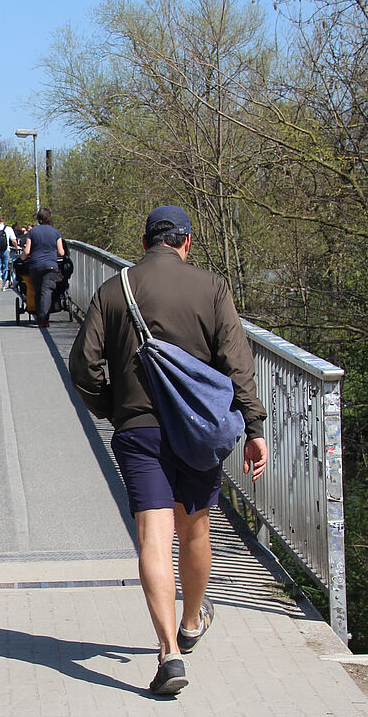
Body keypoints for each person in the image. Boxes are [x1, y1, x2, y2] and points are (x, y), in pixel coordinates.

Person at [68, 205, 268, 697]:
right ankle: (192, 621)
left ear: (144, 244)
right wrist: (254, 426)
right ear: (187, 242)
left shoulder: (115, 289)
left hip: (139, 431)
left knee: (153, 538)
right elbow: (237, 361)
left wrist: (112, 407)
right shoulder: (212, 287)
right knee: (195, 530)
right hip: (197, 431)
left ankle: (169, 653)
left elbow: (83, 365)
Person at [20, 208, 66, 328]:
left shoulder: (32, 232)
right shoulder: (56, 233)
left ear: (38, 219)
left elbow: (27, 251)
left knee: (37, 290)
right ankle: (44, 318)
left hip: (35, 265)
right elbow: (61, 252)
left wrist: (21, 259)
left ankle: (39, 315)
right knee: (47, 291)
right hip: (50, 265)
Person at [0, 216, 17, 291]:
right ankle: (3, 284)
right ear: (4, 221)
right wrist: (16, 247)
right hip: (6, 250)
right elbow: (13, 240)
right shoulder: (8, 228)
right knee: (5, 267)